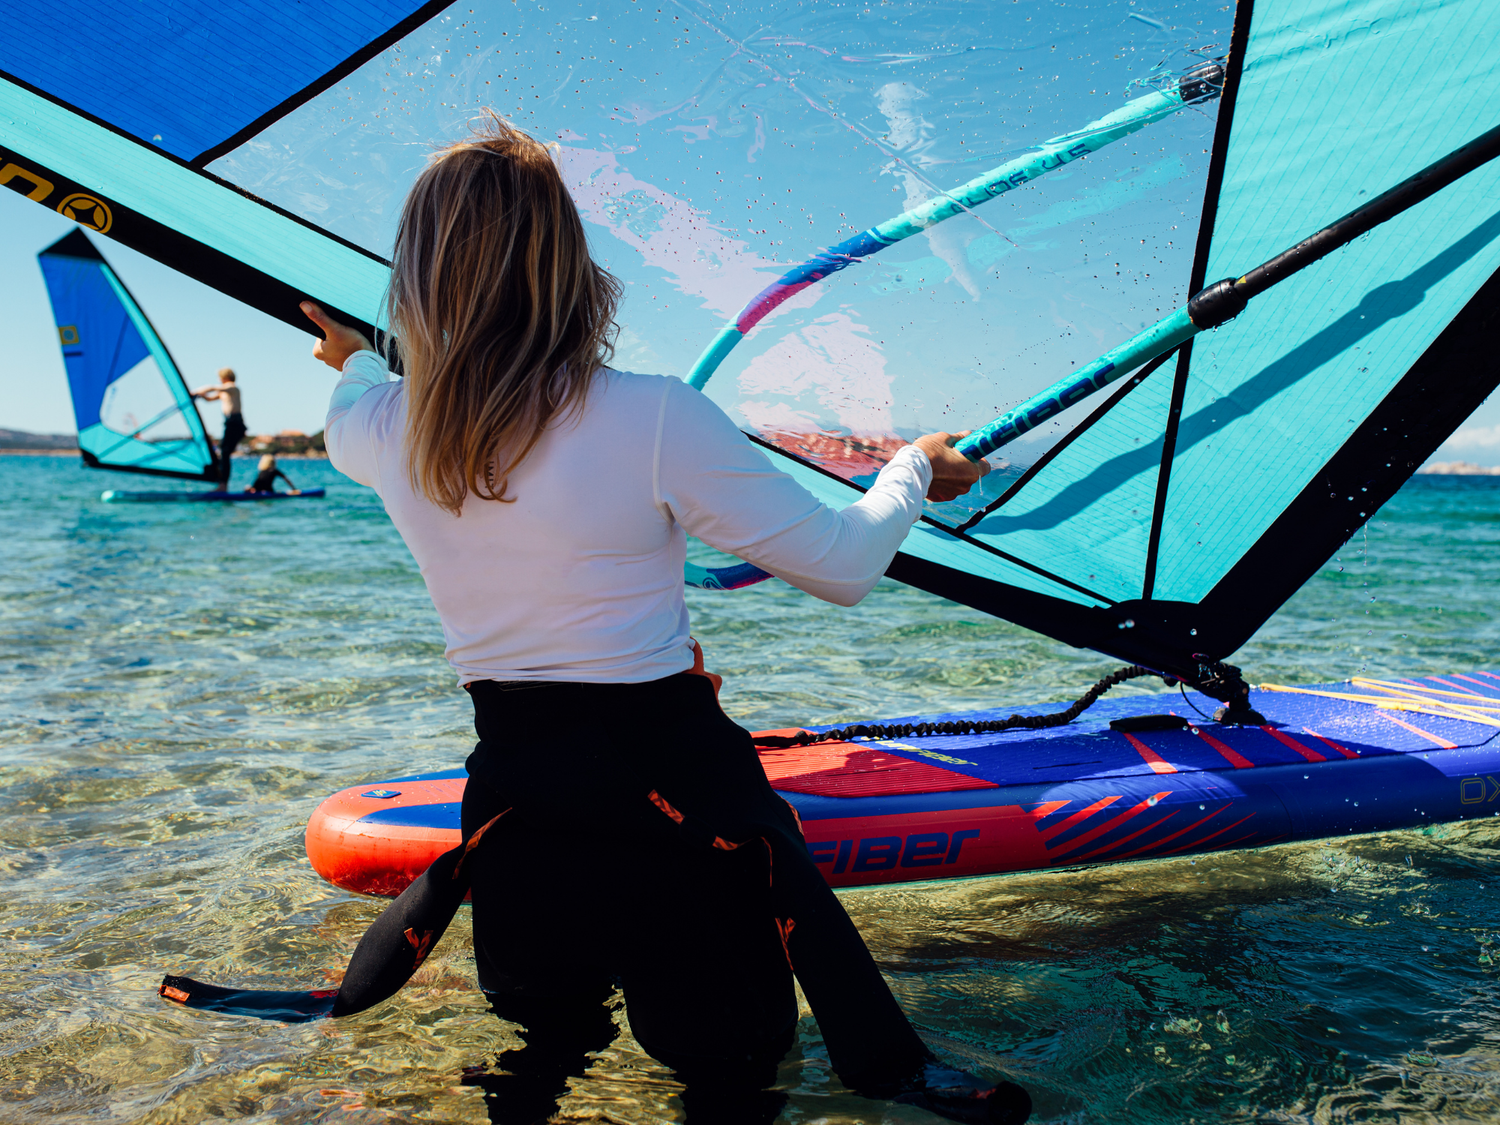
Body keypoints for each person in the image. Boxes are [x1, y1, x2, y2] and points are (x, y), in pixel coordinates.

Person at [301, 116, 1030, 1125]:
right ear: (565, 263)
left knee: (541, 1058)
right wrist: (913, 467)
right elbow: (843, 565)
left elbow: (358, 393)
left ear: (415, 277)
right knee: (729, 1080)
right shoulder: (650, 416)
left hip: (520, 816)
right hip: (676, 821)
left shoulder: (383, 431)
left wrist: (346, 357)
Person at [192, 367, 247, 485]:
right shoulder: (224, 392)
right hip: (229, 422)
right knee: (223, 452)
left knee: (225, 452)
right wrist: (202, 396)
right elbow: (210, 399)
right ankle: (221, 481)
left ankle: (223, 485)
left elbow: (213, 387)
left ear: (224, 377)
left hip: (235, 423)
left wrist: (196, 391)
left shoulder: (232, 387)